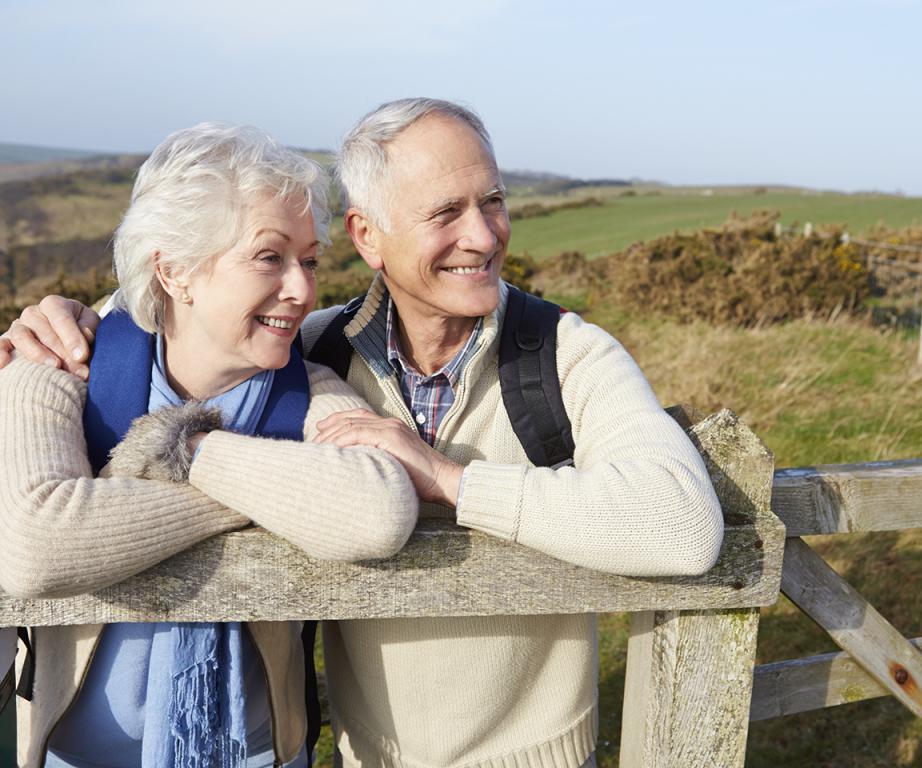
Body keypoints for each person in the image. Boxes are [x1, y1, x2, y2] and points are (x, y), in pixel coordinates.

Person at [1, 99, 725, 768]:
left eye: (494, 202)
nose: (483, 234)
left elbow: (683, 526)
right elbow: (183, 334)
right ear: (368, 236)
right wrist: (64, 318)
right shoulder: (316, 347)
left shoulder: (562, 356)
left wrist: (449, 481)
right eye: (446, 211)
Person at [0, 123, 418, 768]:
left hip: (261, 756)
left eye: (308, 260)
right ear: (174, 271)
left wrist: (191, 454)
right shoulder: (58, 368)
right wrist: (265, 498)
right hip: (76, 757)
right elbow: (34, 544)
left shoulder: (306, 388)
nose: (302, 290)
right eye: (268, 257)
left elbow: (376, 511)